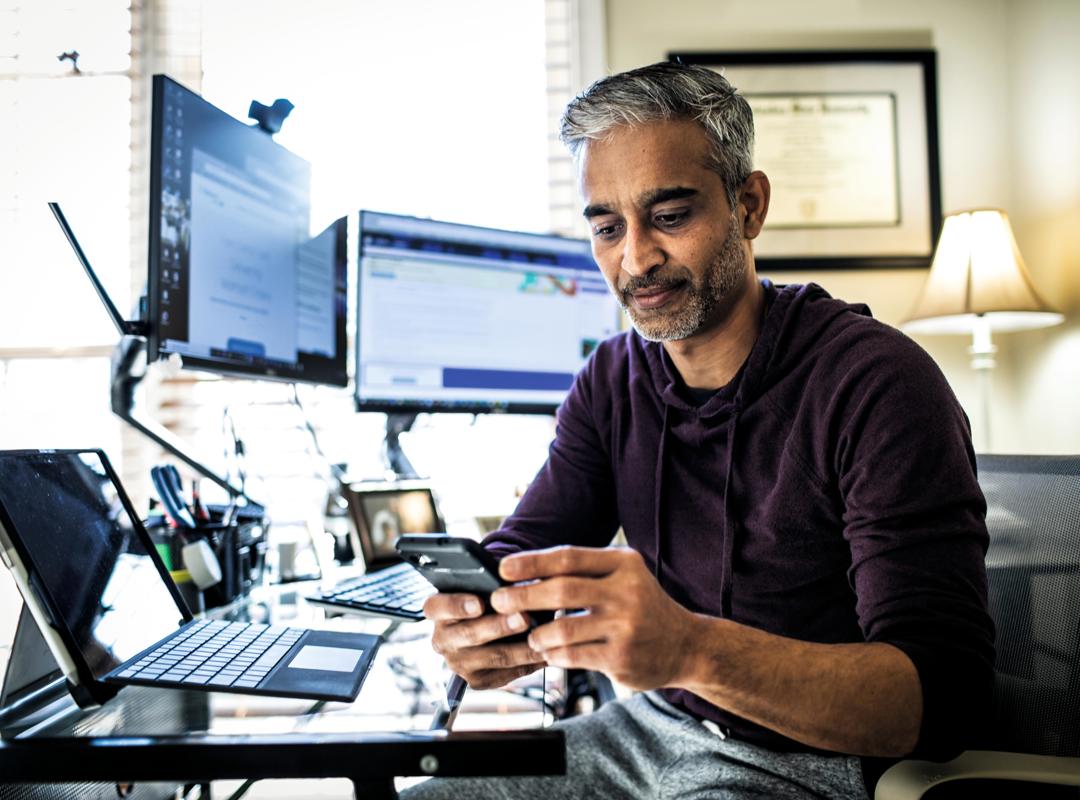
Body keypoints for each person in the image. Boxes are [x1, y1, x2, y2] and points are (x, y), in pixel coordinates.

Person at [405, 61, 994, 799]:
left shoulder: (878, 384)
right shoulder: (612, 378)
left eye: (671, 216)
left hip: (810, 762)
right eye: (608, 227)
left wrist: (689, 648)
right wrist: (481, 620)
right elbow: (528, 551)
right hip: (645, 728)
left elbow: (943, 700)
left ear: (748, 206)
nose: (636, 258)